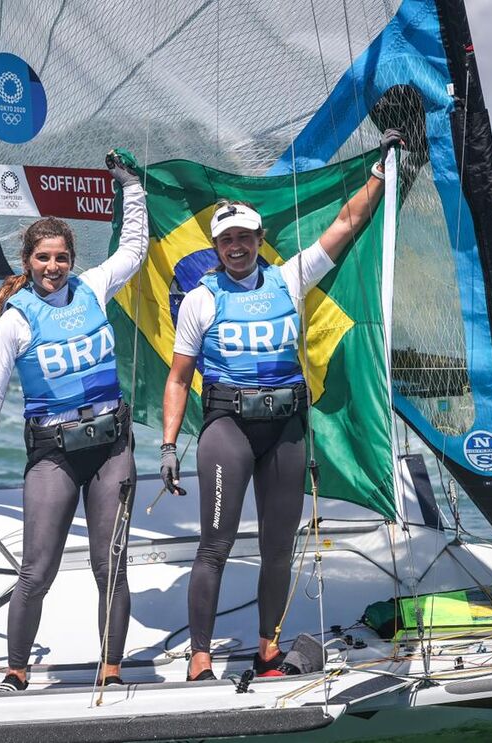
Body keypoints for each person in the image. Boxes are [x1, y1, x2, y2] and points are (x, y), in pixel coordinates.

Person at [160, 131, 403, 682]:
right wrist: (170, 445)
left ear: (259, 238)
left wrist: (382, 172)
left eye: (245, 237)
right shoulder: (201, 298)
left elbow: (346, 225)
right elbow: (178, 380)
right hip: (229, 430)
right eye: (227, 241)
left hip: (288, 430)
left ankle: (266, 650)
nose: (237, 247)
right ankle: (201, 657)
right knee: (215, 546)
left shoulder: (289, 277)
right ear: (217, 246)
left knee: (278, 548)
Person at [0, 151, 147, 692]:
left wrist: (132, 188)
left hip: (110, 447)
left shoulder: (96, 287)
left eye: (60, 257)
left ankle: (112, 670)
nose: (52, 266)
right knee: (36, 570)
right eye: (42, 258)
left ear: (72, 259)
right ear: (27, 261)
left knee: (110, 565)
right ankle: (16, 673)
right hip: (53, 453)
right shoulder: (14, 319)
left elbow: (134, 248)